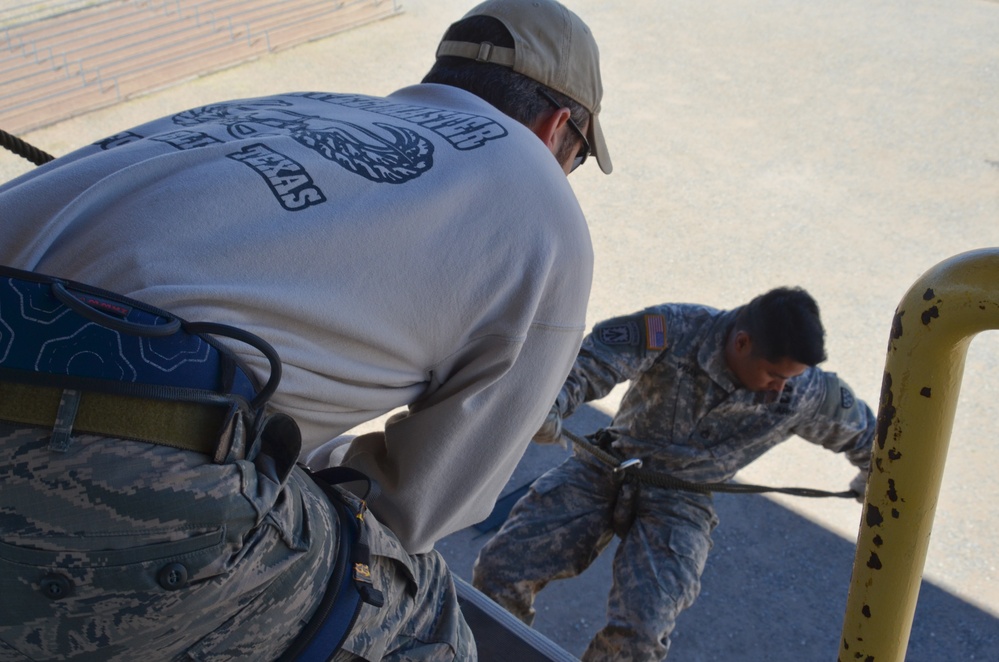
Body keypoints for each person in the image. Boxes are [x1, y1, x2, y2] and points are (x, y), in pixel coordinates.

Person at [0, 0, 613, 659]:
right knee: (418, 613)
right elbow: (414, 508)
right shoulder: (546, 216)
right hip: (91, 447)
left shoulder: (300, 107)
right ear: (558, 128)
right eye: (576, 158)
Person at [471, 287, 875, 661]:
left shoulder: (805, 392)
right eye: (774, 375)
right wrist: (555, 401)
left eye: (791, 378)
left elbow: (872, 439)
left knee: (641, 635)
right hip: (609, 465)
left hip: (682, 499)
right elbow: (594, 360)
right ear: (742, 343)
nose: (779, 390)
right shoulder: (675, 327)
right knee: (499, 572)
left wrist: (871, 478)